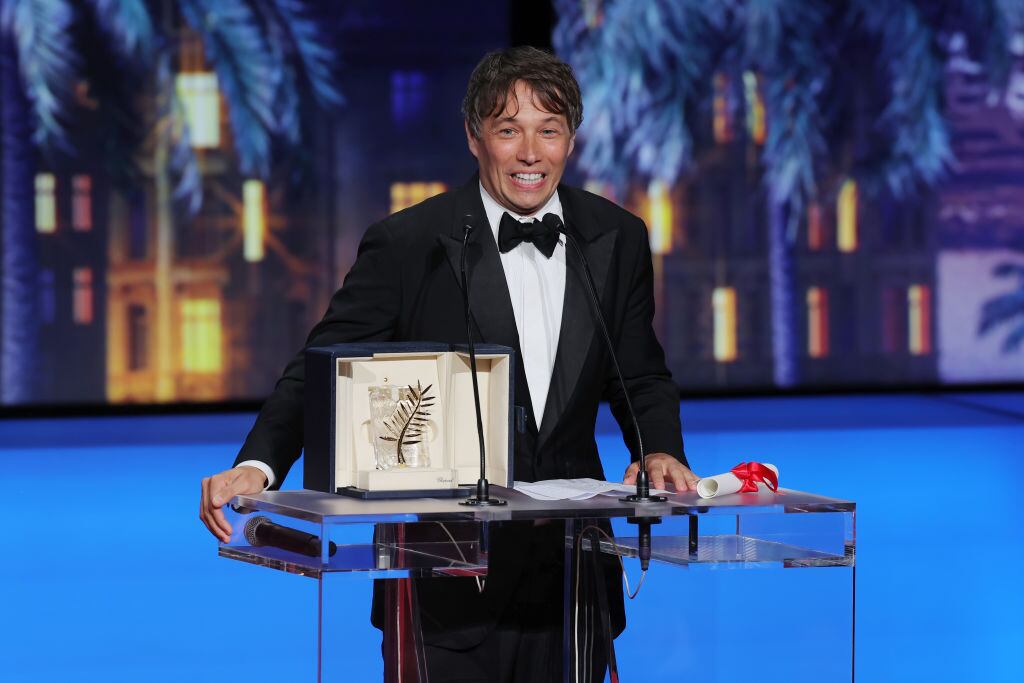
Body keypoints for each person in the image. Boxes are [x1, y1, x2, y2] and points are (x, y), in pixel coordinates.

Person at [200, 46, 697, 681]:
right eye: (508, 130)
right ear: (473, 137)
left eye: (548, 131)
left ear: (571, 139)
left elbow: (640, 372)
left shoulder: (616, 237)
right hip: (445, 585)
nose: (529, 153)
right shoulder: (410, 243)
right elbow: (321, 366)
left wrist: (659, 448)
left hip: (573, 585)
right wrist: (259, 464)